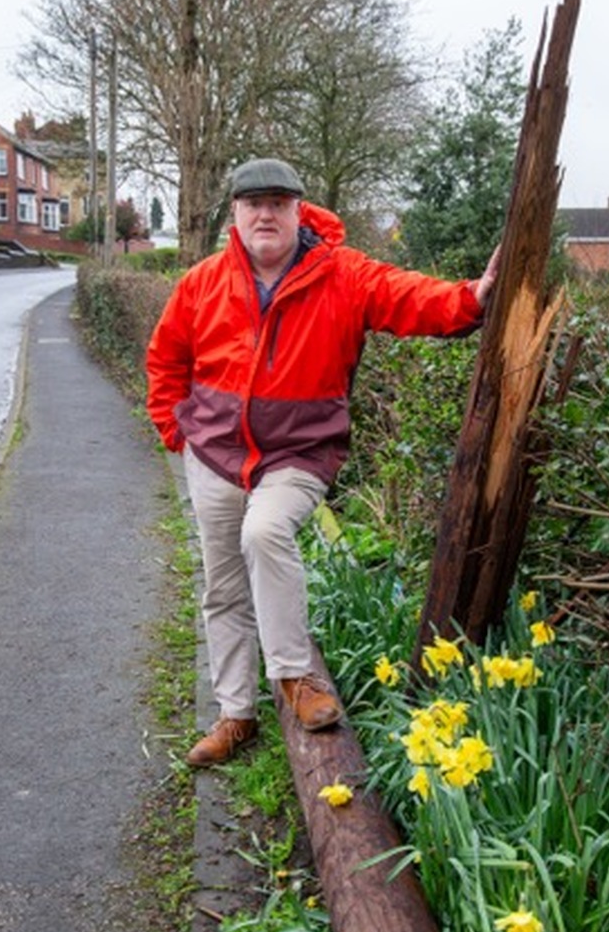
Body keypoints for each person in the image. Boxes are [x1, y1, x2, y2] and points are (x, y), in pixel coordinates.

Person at [146, 157, 499, 766]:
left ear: (297, 211)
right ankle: (235, 716)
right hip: (215, 456)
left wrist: (470, 298)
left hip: (299, 453)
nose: (266, 213)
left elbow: (405, 294)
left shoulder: (342, 274)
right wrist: (175, 431)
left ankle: (294, 680)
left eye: (278, 202)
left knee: (266, 531)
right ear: (234, 213)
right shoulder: (202, 282)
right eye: (254, 202)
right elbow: (166, 359)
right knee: (223, 587)